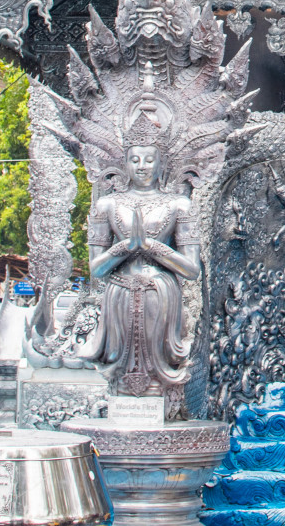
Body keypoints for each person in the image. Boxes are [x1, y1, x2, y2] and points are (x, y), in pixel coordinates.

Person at [83, 139, 200, 413]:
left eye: (149, 160)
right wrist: (125, 247)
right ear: (124, 164)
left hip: (160, 293)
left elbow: (192, 270)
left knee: (160, 360)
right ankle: (122, 405)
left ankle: (164, 406)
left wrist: (153, 247)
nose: (142, 166)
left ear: (162, 164)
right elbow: (96, 268)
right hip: (120, 292)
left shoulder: (178, 205)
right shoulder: (107, 205)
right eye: (134, 160)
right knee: (120, 359)